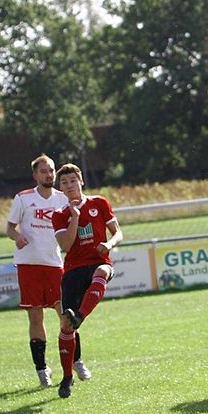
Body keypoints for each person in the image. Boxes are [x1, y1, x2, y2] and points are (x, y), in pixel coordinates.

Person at [7, 155, 91, 387]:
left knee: (66, 314)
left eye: (51, 170)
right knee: (35, 315)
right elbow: (10, 227)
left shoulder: (62, 199)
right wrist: (18, 236)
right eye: (43, 171)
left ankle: (76, 360)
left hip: (55, 264)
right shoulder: (23, 198)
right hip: (29, 264)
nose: (49, 175)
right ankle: (42, 368)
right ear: (35, 175)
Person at [51, 163, 123, 399]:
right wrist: (74, 217)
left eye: (72, 180)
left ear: (81, 181)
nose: (69, 185)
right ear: (59, 188)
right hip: (72, 270)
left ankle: (80, 315)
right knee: (65, 327)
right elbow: (66, 246)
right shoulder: (60, 215)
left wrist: (109, 244)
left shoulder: (100, 203)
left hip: (98, 262)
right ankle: (67, 377)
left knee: (102, 271)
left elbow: (118, 233)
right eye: (64, 182)